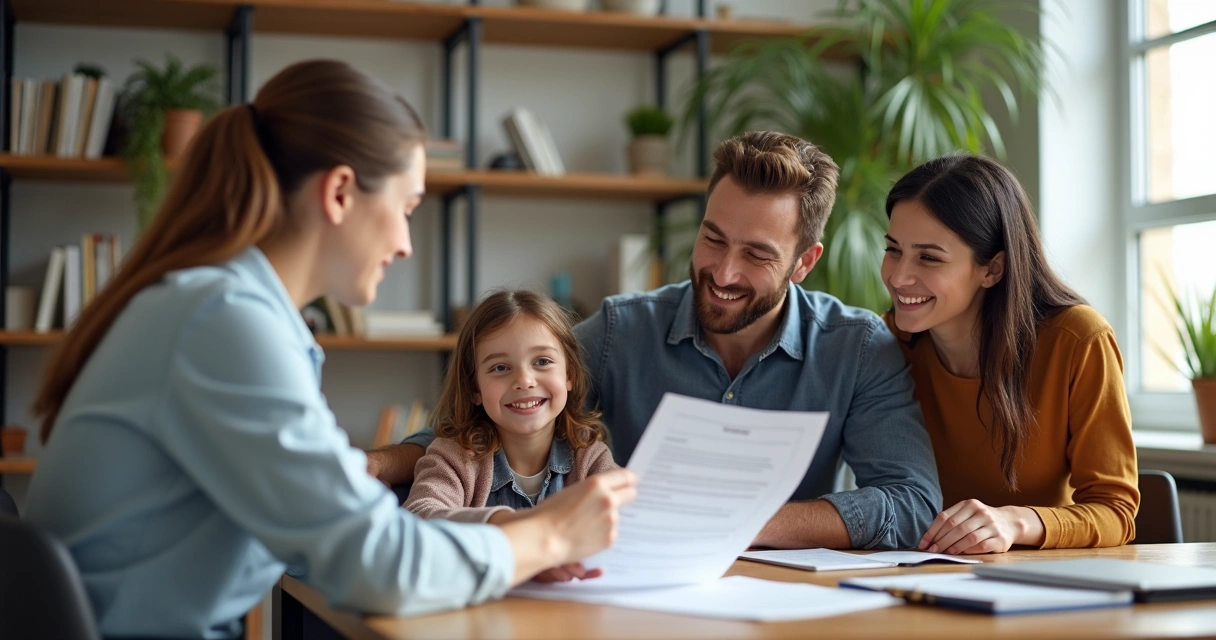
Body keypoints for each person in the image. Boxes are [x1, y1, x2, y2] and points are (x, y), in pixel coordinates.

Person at [23, 60, 636, 639]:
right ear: (340, 192)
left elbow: (342, 538)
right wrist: (547, 537)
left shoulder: (230, 312)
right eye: (406, 208)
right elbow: (377, 564)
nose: (406, 245)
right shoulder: (225, 323)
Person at [372, 131, 941, 550]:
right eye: (713, 239)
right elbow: (488, 416)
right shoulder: (622, 331)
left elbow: (912, 502)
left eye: (756, 255)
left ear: (804, 263)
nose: (723, 272)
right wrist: (376, 464)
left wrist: (742, 523)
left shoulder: (857, 348)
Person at [881, 154, 1139, 555]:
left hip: (1038, 577)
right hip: (921, 569)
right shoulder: (884, 342)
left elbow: (1116, 511)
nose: (898, 276)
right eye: (893, 249)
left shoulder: (1077, 340)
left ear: (993, 269)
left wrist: (1014, 522)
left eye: (929, 257)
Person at [405, 289, 617, 582]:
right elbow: (418, 519)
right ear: (474, 388)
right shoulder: (454, 457)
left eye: (542, 361)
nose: (524, 381)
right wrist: (510, 527)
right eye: (500, 367)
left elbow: (627, 523)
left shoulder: (590, 455)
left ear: (570, 375)